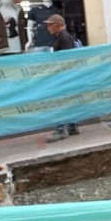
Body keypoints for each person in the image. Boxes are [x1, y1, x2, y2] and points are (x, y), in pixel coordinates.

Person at [46, 14, 80, 142]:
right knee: (69, 100)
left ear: (58, 25)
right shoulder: (60, 37)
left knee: (60, 102)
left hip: (65, 76)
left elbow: (67, 59)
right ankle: (72, 126)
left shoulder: (64, 38)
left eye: (50, 24)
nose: (48, 27)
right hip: (67, 76)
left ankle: (61, 129)